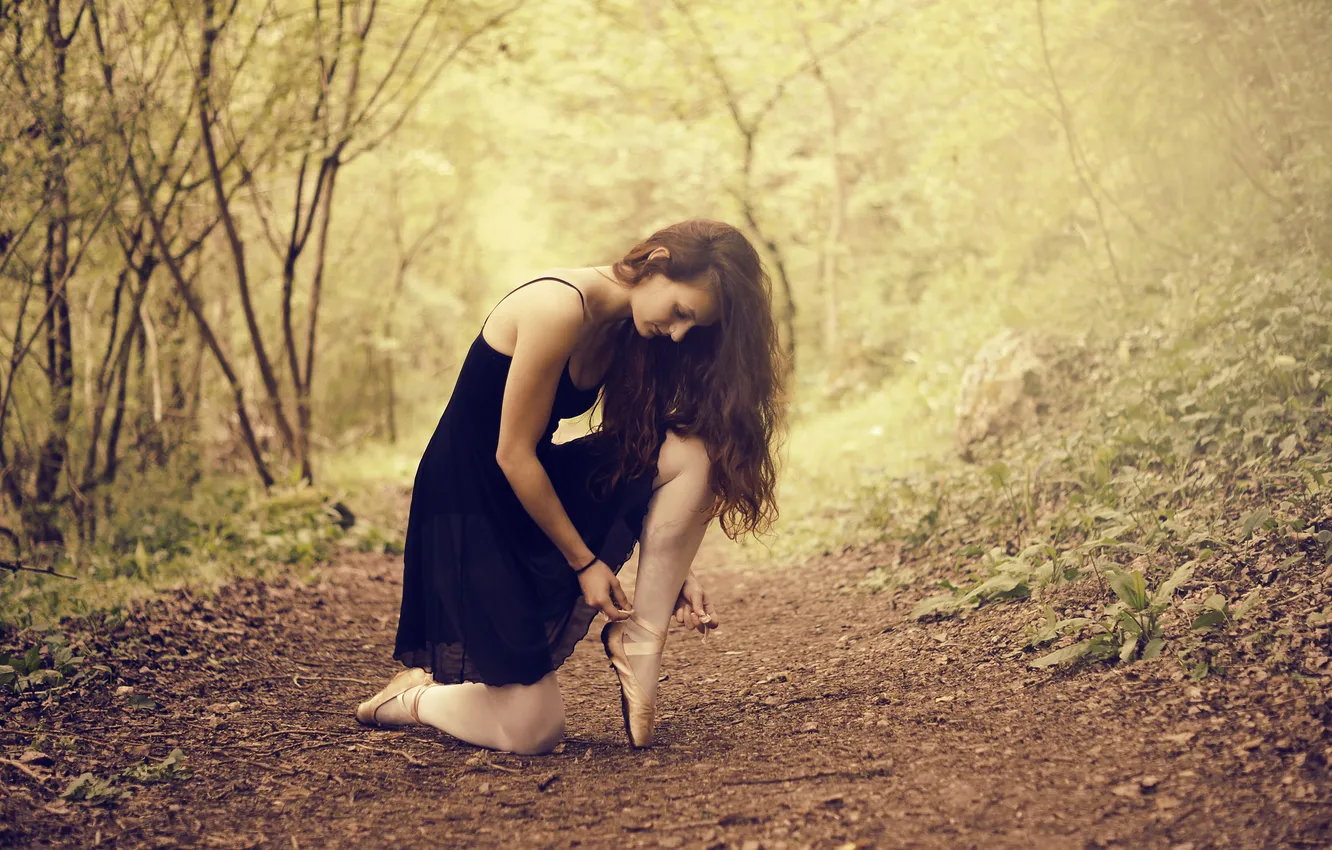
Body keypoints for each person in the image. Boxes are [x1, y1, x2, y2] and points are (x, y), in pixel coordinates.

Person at [354, 219, 784, 753]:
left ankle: (639, 641)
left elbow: (633, 449)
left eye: (689, 326)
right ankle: (413, 699)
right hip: (467, 504)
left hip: (532, 482)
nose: (676, 333)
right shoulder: (557, 306)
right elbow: (510, 453)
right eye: (679, 313)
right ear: (656, 261)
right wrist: (584, 562)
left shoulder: (629, 328)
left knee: (697, 450)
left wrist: (673, 568)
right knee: (535, 731)